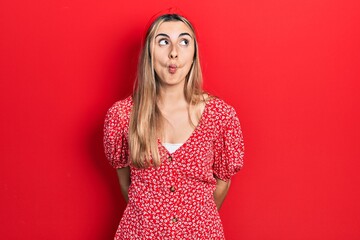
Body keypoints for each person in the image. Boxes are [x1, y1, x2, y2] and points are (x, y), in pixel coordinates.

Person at [103, 13, 244, 239]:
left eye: (184, 41)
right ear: (149, 52)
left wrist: (191, 224)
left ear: (194, 53)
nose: (174, 52)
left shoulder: (220, 116)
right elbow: (125, 184)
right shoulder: (122, 116)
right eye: (163, 41)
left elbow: (221, 186)